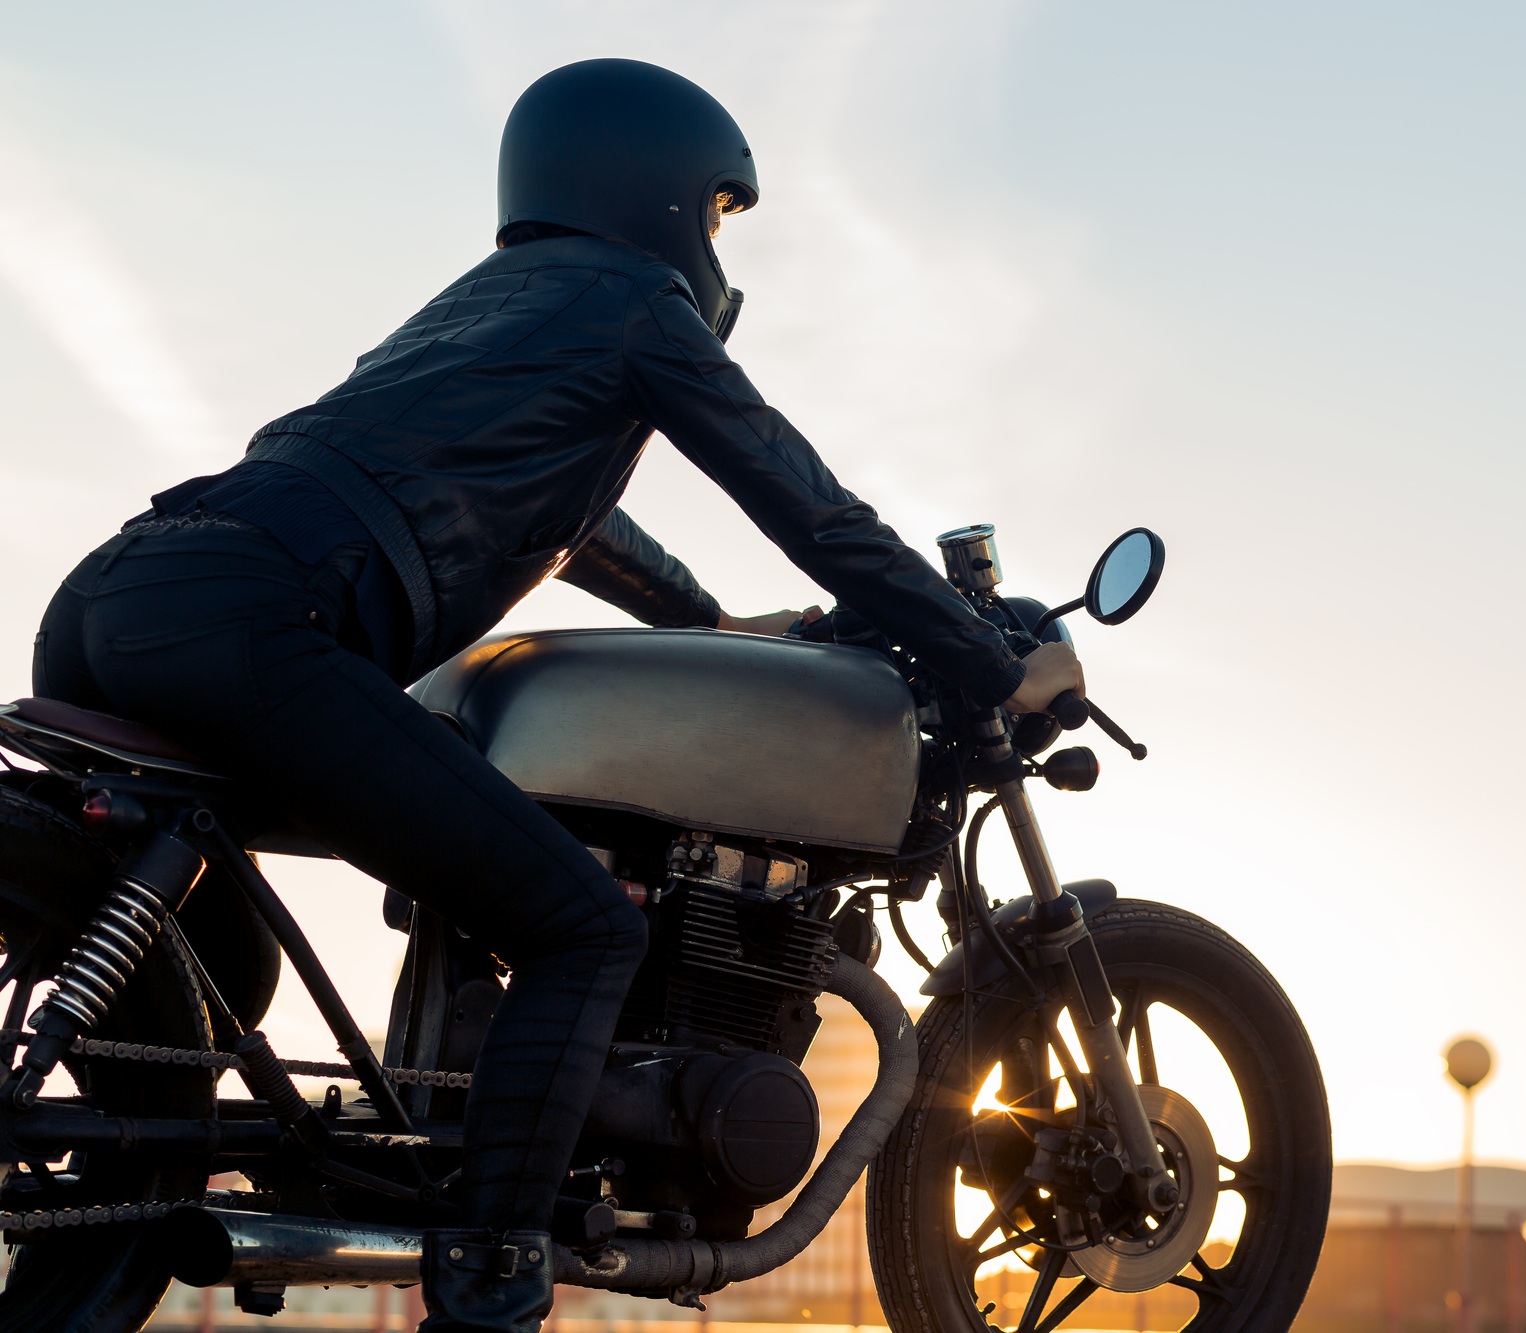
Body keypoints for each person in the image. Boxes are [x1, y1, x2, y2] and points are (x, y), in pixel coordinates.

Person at [30, 58, 1081, 1332]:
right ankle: (488, 1272)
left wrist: (713, 628)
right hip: (250, 621)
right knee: (584, 926)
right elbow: (806, 503)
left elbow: (586, 532)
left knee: (207, 976)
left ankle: (146, 1191)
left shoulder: (476, 313)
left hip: (117, 597)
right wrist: (987, 661)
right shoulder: (637, 299)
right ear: (658, 194)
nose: (708, 244)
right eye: (713, 213)